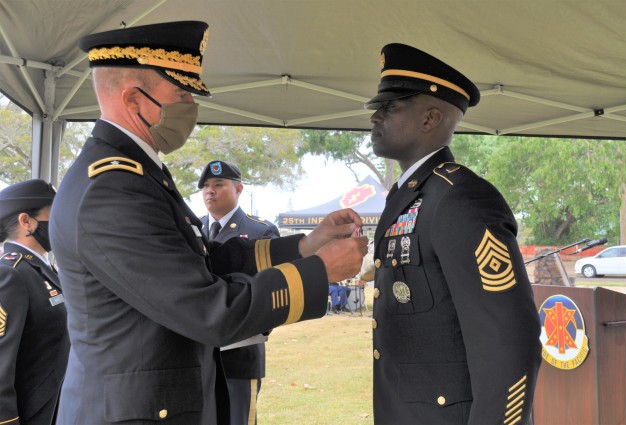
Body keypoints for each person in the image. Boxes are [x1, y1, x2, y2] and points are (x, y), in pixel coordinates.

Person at [49, 21, 368, 424]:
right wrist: (319, 271)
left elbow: (205, 261)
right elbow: (208, 310)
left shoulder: (138, 174)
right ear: (133, 99)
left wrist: (308, 245)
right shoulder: (113, 190)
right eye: (181, 94)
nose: (191, 107)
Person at [365, 43, 541, 424]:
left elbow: (508, 339)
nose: (376, 116)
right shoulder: (410, 197)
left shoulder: (460, 199)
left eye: (390, 107)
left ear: (430, 119)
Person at [198, 159, 279, 425]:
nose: (210, 191)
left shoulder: (260, 231)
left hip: (239, 356)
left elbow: (271, 291)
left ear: (239, 189)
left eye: (219, 184)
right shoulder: (192, 230)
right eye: (206, 186)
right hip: (197, 356)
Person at [0, 179, 70, 425]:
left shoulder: (42, 268)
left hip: (56, 409)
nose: (60, 222)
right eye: (54, 215)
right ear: (26, 221)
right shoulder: (11, 273)